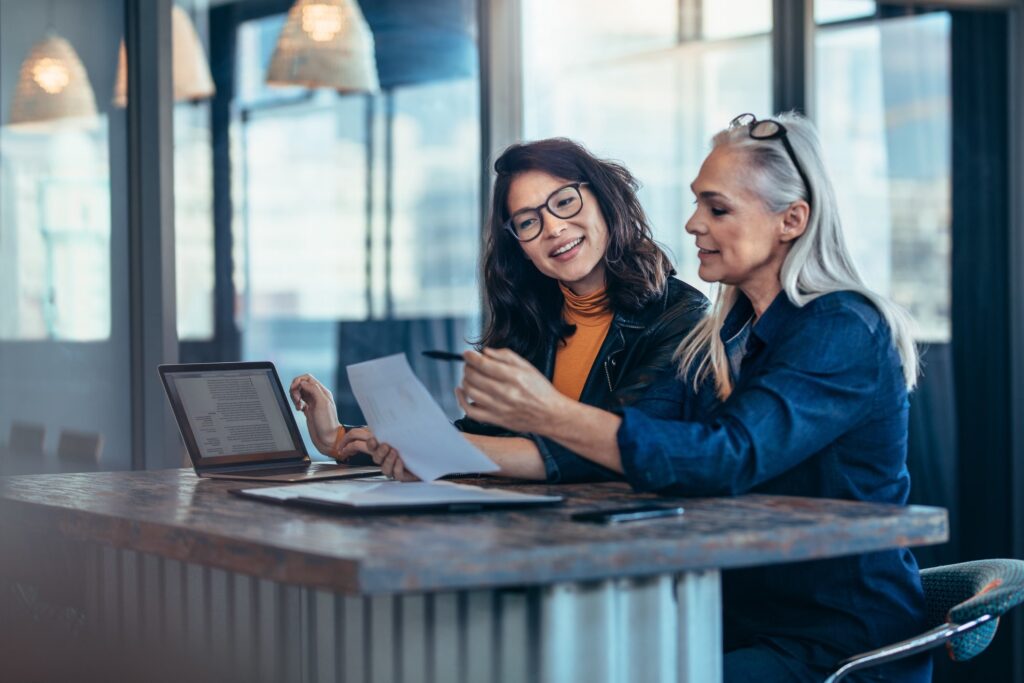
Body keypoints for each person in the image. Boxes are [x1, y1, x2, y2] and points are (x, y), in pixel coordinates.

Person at [369, 113, 930, 682]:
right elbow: (623, 440)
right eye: (696, 204)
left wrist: (547, 412)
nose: (692, 225)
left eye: (717, 208)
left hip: (832, 640)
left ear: (791, 220)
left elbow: (726, 457)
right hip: (732, 616)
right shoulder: (723, 333)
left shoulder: (843, 327)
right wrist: (432, 451)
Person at [291, 137, 707, 482]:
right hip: (527, 532)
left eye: (565, 202)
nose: (553, 228)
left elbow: (615, 449)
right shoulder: (532, 320)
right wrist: (340, 439)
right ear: (520, 248)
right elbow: (481, 438)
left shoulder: (682, 317)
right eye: (528, 222)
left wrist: (436, 451)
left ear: (604, 200)